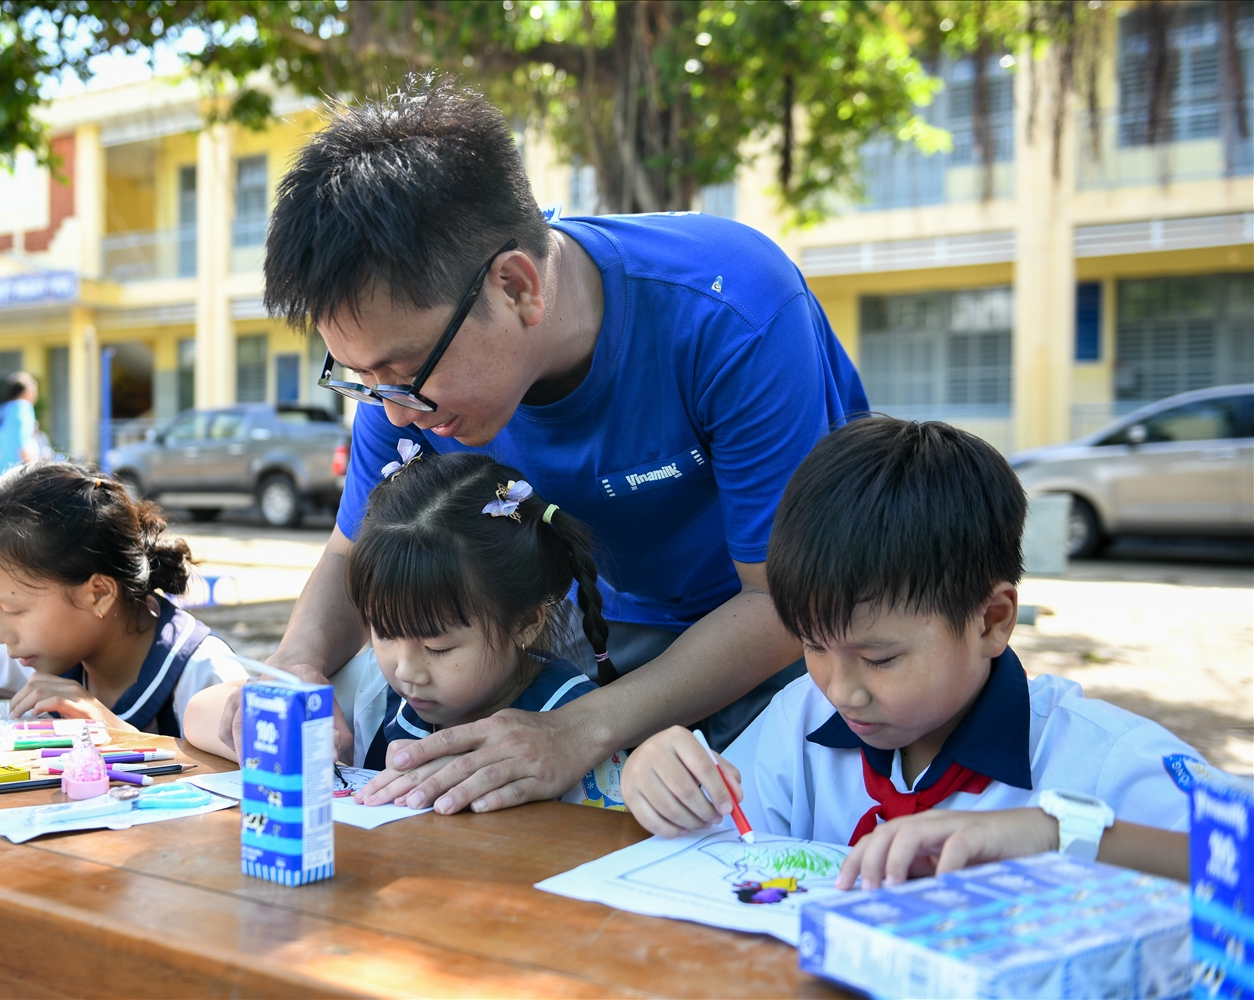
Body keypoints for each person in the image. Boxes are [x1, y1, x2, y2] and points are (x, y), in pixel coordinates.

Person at [219, 76, 866, 816]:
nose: (392, 417)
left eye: (401, 374)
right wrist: (294, 671)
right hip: (597, 636)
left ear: (518, 288)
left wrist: (577, 729)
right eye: (361, 379)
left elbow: (783, 600)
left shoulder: (730, 311)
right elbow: (349, 554)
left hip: (798, 639)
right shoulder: (403, 383)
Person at [620, 417, 1199, 887]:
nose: (841, 689)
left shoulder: (1092, 758)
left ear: (992, 620)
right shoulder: (801, 719)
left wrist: (1055, 834)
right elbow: (719, 854)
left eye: (879, 659)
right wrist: (662, 786)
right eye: (815, 645)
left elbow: (1236, 868)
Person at [185, 449, 627, 810]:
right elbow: (197, 715)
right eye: (383, 631)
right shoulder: (381, 694)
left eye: (438, 646)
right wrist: (276, 719)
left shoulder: (571, 730)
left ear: (527, 623)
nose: (407, 670)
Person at [0, 462, 248, 734]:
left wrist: (117, 735)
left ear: (98, 593)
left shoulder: (205, 676)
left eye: (13, 610)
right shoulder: (36, 653)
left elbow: (269, 783)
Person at [0, 371, 41, 481]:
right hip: (17, 476)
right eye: (34, 390)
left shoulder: (2, 409)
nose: (36, 394)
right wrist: (36, 471)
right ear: (24, 391)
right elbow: (21, 443)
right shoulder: (22, 408)